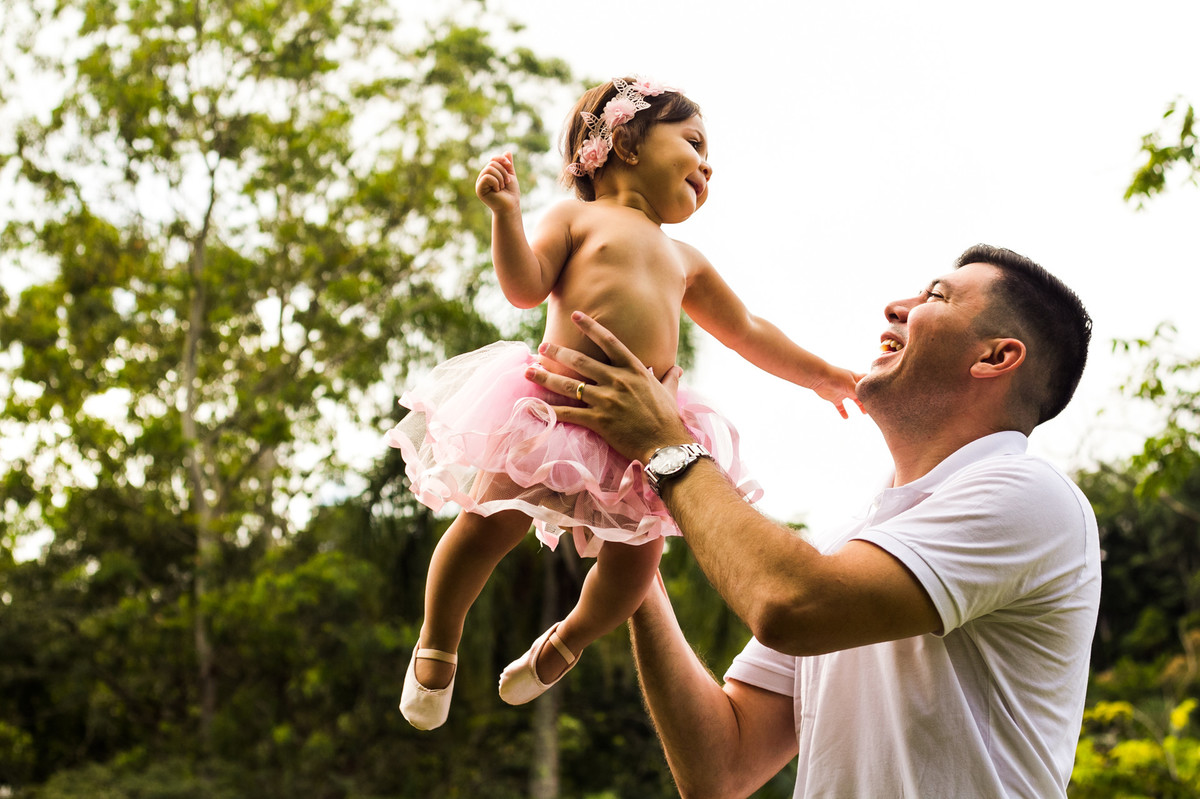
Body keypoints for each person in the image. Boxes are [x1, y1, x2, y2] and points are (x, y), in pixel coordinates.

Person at [525, 244, 1100, 798]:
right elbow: (720, 769)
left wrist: (663, 444)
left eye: (937, 297)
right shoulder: (845, 545)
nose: (897, 307)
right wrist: (631, 537)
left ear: (995, 357)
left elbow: (790, 604)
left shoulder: (1033, 496)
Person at [390, 76, 862, 731]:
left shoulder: (684, 258)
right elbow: (526, 287)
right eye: (693, 141)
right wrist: (507, 217)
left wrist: (822, 375)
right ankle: (436, 643)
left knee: (636, 568)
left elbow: (748, 330)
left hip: (641, 440)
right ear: (626, 142)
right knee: (485, 524)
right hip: (554, 413)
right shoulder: (575, 218)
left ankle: (567, 640)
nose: (708, 163)